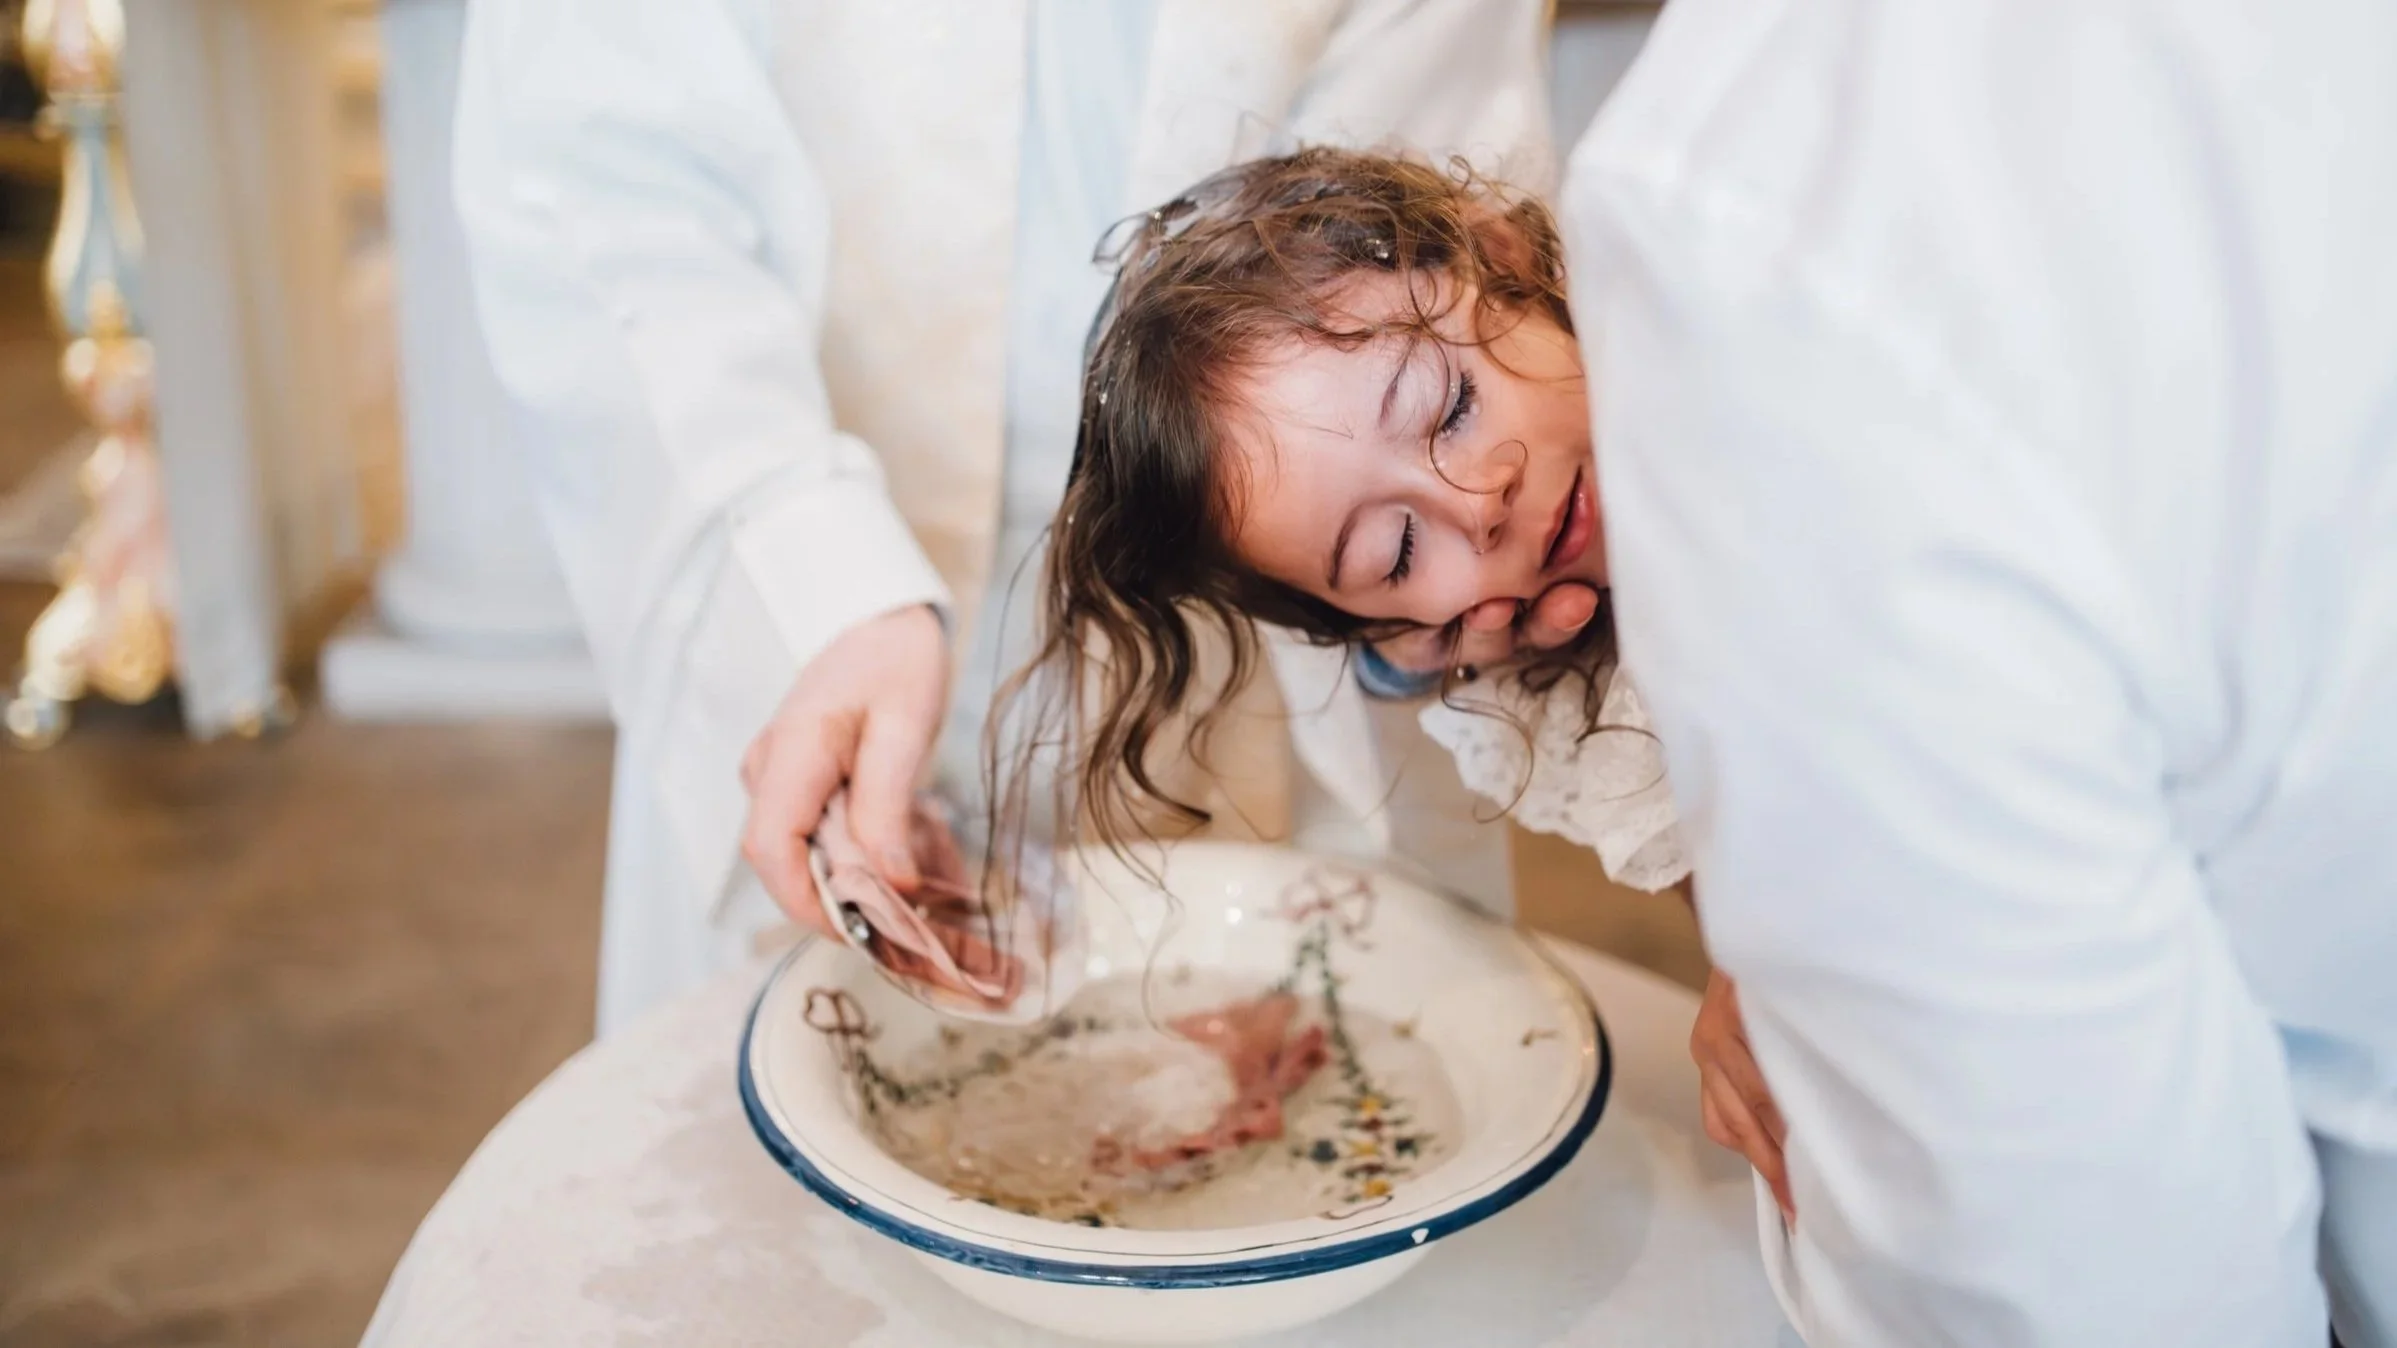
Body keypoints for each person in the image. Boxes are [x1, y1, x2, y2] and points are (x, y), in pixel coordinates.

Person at [1025, 45, 2396, 1330]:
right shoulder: (1545, 690)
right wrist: (1750, 946)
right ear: (1398, 637)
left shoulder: (1771, 361)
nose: (1478, 498)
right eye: (1396, 551)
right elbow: (1717, 854)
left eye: (1450, 410)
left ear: (1509, 257)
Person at [449, 0, 1600, 1035]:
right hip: (827, 530)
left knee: (1320, 1093)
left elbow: (1419, 228)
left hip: (1268, 635)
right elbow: (596, 165)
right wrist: (821, 589)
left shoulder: (1433, 484)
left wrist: (1389, 608)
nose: (1478, 499)